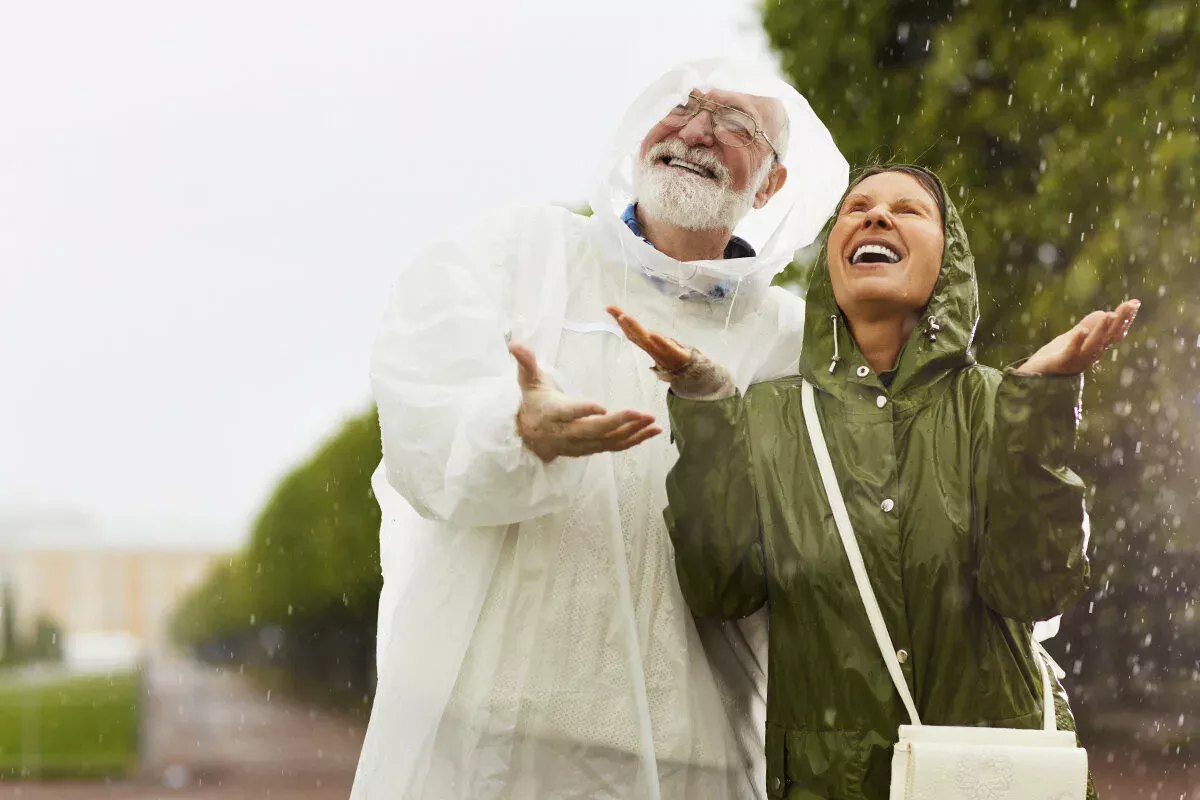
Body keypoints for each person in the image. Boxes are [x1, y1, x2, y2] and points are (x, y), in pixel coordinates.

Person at [350, 60, 849, 799]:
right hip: (492, 741)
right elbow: (423, 414)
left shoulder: (791, 340)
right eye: (684, 106)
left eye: (736, 124)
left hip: (694, 754)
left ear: (772, 186)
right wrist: (517, 432)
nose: (698, 130)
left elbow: (812, 540)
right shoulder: (526, 254)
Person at [611, 164, 1138, 799]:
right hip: (828, 785)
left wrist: (1041, 404)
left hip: (997, 776)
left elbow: (1036, 588)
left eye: (909, 210)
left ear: (950, 261)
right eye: (856, 207)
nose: (875, 215)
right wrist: (706, 414)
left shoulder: (1004, 405)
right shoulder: (763, 418)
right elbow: (720, 591)